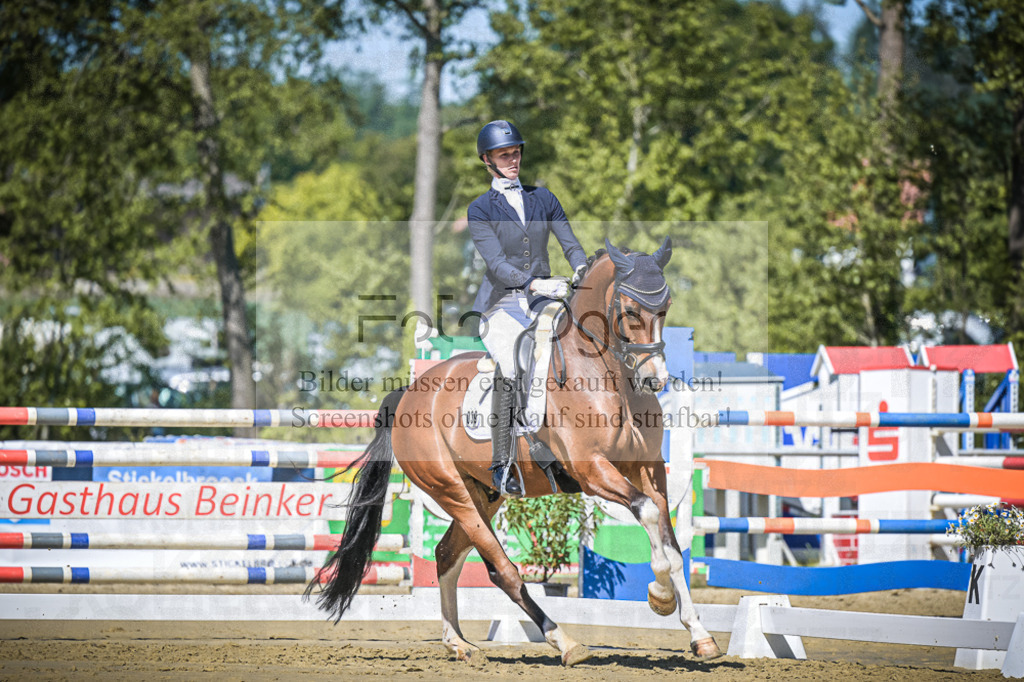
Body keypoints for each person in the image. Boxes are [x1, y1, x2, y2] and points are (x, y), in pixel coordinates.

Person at [467, 120, 588, 496]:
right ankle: (502, 465)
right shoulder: (480, 209)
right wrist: (534, 282)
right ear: (488, 160)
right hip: (500, 305)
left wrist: (583, 268)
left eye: (516, 152)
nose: (513, 159)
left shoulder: (543, 198)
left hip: (542, 300)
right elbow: (497, 264)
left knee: (577, 350)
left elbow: (569, 243)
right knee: (511, 361)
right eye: (504, 155)